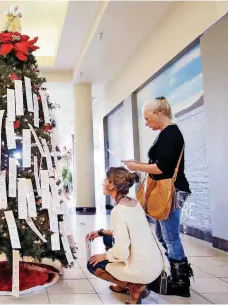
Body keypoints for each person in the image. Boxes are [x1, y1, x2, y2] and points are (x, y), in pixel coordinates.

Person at [123, 96, 193, 297]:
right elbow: (159, 163)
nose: (146, 123)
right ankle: (177, 276)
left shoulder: (170, 134)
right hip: (170, 189)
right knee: (164, 235)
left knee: (170, 237)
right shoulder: (167, 133)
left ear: (158, 114)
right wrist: (137, 163)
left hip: (172, 191)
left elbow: (162, 168)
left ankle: (181, 283)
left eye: (147, 118)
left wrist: (136, 166)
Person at [87, 167, 163, 304]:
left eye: (105, 179)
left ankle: (134, 287)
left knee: (93, 264)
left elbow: (121, 252)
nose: (102, 182)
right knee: (108, 238)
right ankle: (130, 284)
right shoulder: (134, 203)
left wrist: (104, 256)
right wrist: (100, 232)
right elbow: (130, 232)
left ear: (111, 184)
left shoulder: (118, 211)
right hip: (155, 266)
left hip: (141, 270)